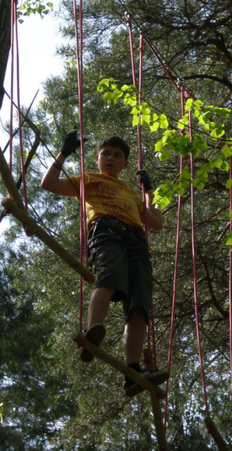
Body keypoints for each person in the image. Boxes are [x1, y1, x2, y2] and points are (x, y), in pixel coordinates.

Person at [41, 129, 169, 397]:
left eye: (117, 155)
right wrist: (64, 152)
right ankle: (93, 328)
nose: (110, 158)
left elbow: (156, 222)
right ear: (97, 159)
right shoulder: (89, 180)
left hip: (136, 241)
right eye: (105, 154)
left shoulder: (130, 193)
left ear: (124, 164)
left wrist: (148, 192)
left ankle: (132, 372)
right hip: (107, 230)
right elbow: (49, 184)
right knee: (109, 276)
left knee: (139, 306)